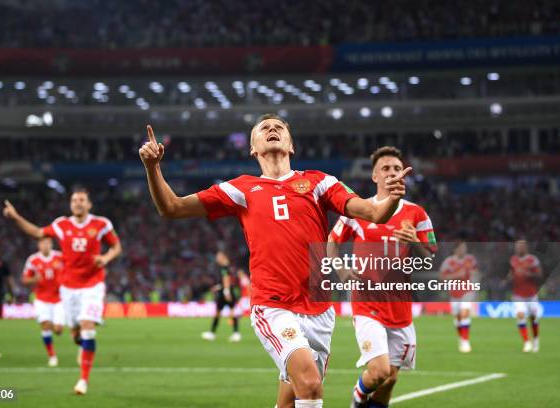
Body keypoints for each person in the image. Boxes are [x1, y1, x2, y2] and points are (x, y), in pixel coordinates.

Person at [139, 115, 410, 408]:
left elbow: (372, 212)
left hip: (318, 309)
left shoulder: (320, 183)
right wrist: (153, 168)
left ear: (291, 145)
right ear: (253, 149)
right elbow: (172, 207)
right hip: (274, 305)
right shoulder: (241, 189)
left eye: (279, 127)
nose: (272, 129)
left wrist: (392, 199)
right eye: (264, 128)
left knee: (289, 401)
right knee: (310, 385)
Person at [328, 146, 436, 408]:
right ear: (375, 176)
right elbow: (331, 241)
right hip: (366, 302)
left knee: (390, 379)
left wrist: (416, 243)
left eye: (397, 168)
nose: (392, 172)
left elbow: (429, 259)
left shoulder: (417, 214)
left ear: (404, 175)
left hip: (399, 305)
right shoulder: (360, 210)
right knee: (379, 372)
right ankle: (357, 397)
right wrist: (341, 268)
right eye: (385, 168)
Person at [3, 187, 122, 394]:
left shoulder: (101, 224)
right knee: (77, 334)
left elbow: (116, 247)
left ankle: (83, 380)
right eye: (74, 200)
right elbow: (38, 233)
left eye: (82, 200)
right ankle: (81, 344)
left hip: (93, 284)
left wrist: (105, 258)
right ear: (70, 204)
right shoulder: (61, 225)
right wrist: (15, 217)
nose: (78, 203)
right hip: (68, 288)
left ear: (89, 204)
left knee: (88, 327)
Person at [22, 236, 65, 366]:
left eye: (48, 243)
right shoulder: (33, 260)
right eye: (43, 243)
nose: (45, 245)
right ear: (38, 245)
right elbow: (25, 280)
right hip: (41, 299)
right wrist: (34, 279)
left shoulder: (60, 257)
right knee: (45, 325)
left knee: (58, 330)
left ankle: (55, 327)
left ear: (51, 244)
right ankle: (52, 356)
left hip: (59, 299)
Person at [440, 241, 478, 353]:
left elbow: (475, 272)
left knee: (464, 313)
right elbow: (442, 277)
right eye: (461, 247)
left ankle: (465, 341)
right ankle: (462, 339)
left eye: (465, 247)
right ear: (455, 249)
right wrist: (456, 276)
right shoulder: (448, 262)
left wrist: (475, 279)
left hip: (467, 291)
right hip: (454, 293)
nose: (464, 250)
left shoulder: (470, 259)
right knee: (457, 318)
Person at [509, 239, 543, 352]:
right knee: (520, 315)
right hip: (518, 295)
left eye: (520, 246)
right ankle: (526, 342)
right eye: (517, 246)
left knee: (533, 319)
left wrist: (528, 274)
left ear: (526, 247)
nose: (518, 248)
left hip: (531, 294)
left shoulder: (532, 260)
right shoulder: (513, 260)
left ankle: (536, 340)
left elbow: (539, 276)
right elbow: (511, 275)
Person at [201, 251, 242, 342]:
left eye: (218, 257)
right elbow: (225, 281)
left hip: (225, 293)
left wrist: (226, 292)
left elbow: (226, 279)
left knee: (224, 312)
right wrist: (218, 287)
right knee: (230, 312)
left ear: (223, 257)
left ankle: (213, 333)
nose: (217, 259)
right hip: (226, 291)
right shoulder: (228, 267)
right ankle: (235, 334)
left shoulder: (224, 268)